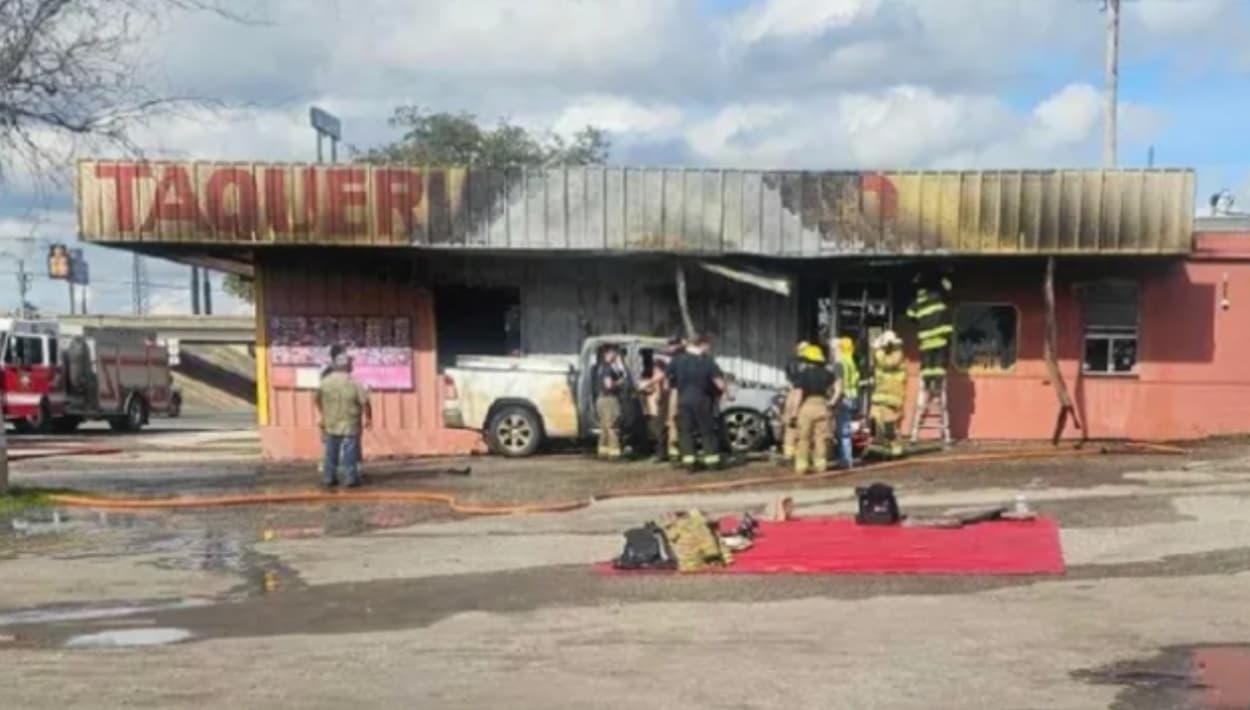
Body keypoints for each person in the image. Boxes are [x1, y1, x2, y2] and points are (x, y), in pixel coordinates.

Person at [314, 350, 372, 488]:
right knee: (350, 453)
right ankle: (350, 478)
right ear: (347, 366)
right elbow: (365, 403)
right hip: (350, 424)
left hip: (331, 423)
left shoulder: (325, 383)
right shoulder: (355, 383)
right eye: (351, 363)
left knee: (330, 452)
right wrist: (368, 419)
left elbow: (317, 399)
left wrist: (323, 414)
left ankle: (329, 477)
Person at [671, 335, 726, 472]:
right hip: (703, 400)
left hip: (683, 401)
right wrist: (727, 392)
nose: (709, 349)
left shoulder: (677, 360)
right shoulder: (707, 361)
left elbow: (667, 382)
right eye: (708, 346)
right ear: (702, 345)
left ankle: (689, 463)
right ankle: (712, 462)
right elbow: (719, 384)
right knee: (707, 431)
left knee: (686, 432)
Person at [793, 343, 835, 475]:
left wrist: (794, 412)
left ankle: (802, 465)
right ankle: (821, 465)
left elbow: (798, 394)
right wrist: (832, 402)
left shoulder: (803, 374)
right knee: (821, 438)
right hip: (822, 406)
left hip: (807, 406)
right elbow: (838, 388)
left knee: (803, 437)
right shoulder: (828, 374)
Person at [868, 330, 907, 458]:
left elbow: (887, 364)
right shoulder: (883, 355)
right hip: (880, 395)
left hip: (892, 396)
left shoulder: (897, 354)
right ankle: (879, 448)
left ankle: (896, 450)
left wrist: (877, 350)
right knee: (875, 422)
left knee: (889, 425)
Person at [594, 345, 628, 460]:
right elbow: (609, 385)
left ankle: (603, 451)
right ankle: (615, 453)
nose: (616, 355)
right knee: (613, 425)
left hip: (601, 400)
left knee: (604, 427)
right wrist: (620, 382)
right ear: (607, 354)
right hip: (609, 399)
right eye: (614, 353)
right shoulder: (608, 368)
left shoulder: (601, 367)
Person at [832, 337, 860, 469]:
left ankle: (845, 460)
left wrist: (833, 400)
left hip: (843, 398)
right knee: (846, 430)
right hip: (852, 397)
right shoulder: (851, 361)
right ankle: (846, 459)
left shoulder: (840, 363)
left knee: (842, 432)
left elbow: (839, 385)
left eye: (835, 348)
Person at [781, 340, 811, 462]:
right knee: (803, 424)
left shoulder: (790, 360)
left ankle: (788, 453)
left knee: (790, 424)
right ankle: (800, 452)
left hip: (792, 392)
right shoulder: (810, 363)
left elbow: (788, 376)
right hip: (804, 394)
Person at [638, 358, 670, 462]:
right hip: (654, 409)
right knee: (656, 431)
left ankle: (661, 454)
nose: (655, 371)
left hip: (660, 408)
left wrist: (649, 386)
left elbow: (660, 394)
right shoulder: (656, 379)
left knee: (660, 432)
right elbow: (644, 387)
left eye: (656, 369)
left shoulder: (662, 378)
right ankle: (659, 452)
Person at [662, 338, 685, 462]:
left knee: (672, 421)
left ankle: (674, 451)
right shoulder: (690, 358)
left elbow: (666, 381)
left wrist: (666, 391)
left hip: (676, 392)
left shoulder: (674, 361)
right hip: (690, 393)